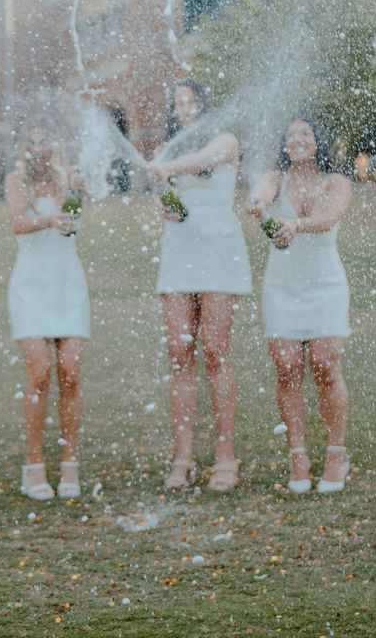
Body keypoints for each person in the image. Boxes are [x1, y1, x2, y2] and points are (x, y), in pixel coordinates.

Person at [150, 80, 249, 492]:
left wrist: (169, 169)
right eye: (178, 104)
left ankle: (226, 456)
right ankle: (184, 457)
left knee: (215, 351)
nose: (185, 109)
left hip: (218, 246)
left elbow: (210, 158)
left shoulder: (224, 139)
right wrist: (162, 204)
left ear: (205, 106)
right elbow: (162, 195)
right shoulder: (169, 150)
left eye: (191, 102)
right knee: (179, 352)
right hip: (180, 248)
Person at [248, 118, 353, 494]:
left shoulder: (337, 183)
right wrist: (259, 206)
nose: (297, 139)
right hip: (282, 286)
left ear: (318, 140)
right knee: (287, 366)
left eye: (305, 133)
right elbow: (262, 194)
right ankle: (297, 456)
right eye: (290, 134)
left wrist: (295, 225)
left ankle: (336, 455)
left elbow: (328, 218)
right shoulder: (277, 178)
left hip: (325, 285)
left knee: (325, 365)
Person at [3, 126, 88, 500]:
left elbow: (84, 208)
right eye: (31, 143)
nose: (38, 149)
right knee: (39, 374)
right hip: (31, 286)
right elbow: (18, 223)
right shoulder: (15, 182)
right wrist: (50, 220)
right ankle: (34, 464)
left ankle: (70, 460)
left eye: (44, 142)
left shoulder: (68, 181)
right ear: (23, 149)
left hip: (68, 283)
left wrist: (81, 186)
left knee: (70, 373)